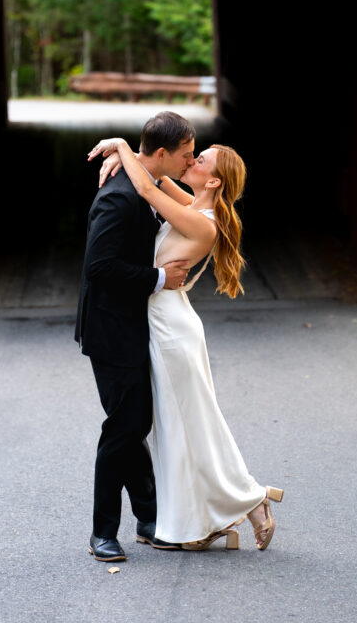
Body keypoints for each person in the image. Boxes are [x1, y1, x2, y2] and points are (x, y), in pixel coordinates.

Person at [88, 135, 284, 553]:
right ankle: (202, 516)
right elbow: (152, 177)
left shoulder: (202, 220)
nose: (192, 161)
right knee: (177, 426)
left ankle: (249, 498)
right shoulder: (193, 203)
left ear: (213, 182)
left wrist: (121, 145)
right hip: (160, 322)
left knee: (192, 423)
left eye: (201, 160)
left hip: (171, 329)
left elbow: (145, 187)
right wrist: (127, 160)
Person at [75, 111, 197, 563]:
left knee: (134, 424)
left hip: (134, 325)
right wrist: (159, 277)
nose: (190, 162)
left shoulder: (147, 182)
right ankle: (103, 531)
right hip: (109, 328)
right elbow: (98, 267)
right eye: (185, 155)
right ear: (162, 154)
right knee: (124, 428)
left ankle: (149, 518)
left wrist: (121, 146)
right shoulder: (119, 196)